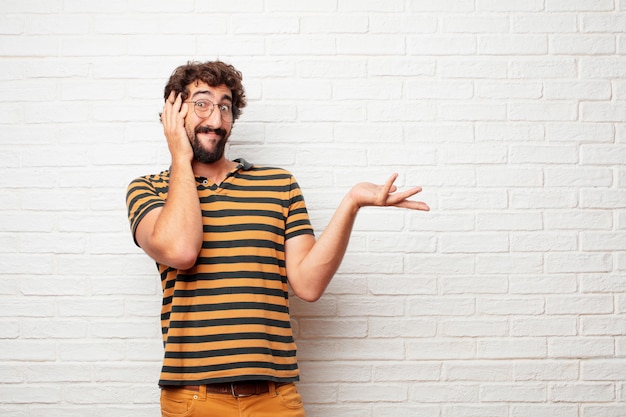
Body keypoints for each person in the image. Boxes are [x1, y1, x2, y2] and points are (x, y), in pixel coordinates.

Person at [125, 60, 429, 417]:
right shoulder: (149, 190)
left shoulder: (278, 185)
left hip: (274, 398)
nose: (216, 118)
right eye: (202, 103)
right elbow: (181, 250)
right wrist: (180, 154)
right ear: (172, 114)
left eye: (225, 106)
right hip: (192, 399)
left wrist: (351, 203)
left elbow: (309, 285)